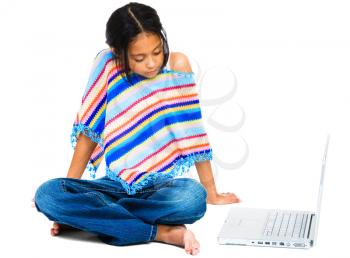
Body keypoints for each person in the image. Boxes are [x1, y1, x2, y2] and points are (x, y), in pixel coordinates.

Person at [34, 2, 240, 256]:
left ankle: (99, 218)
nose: (152, 64)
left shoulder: (177, 67)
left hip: (159, 188)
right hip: (115, 184)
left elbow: (192, 134)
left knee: (192, 199)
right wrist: (69, 188)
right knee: (48, 195)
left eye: (157, 51)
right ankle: (162, 233)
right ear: (118, 51)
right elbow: (89, 132)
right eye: (139, 58)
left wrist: (212, 192)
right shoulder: (108, 65)